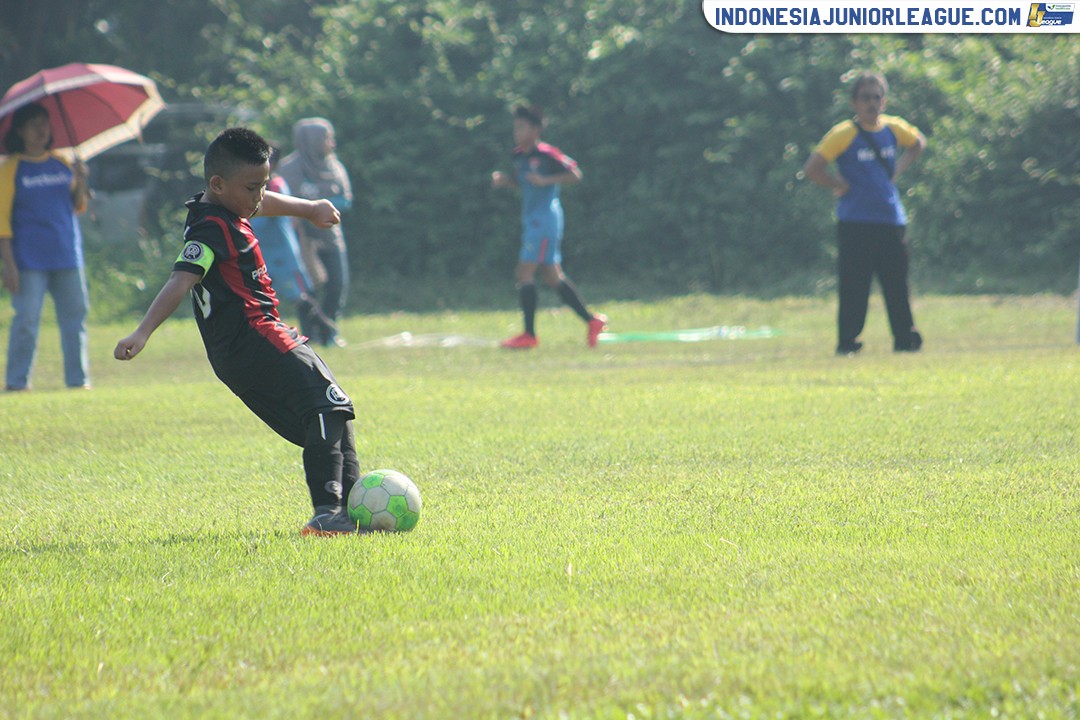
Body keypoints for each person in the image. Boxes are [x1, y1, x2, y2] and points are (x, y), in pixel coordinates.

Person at [114, 128, 361, 536]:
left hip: (241, 350)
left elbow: (259, 206)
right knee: (324, 403)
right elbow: (181, 279)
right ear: (218, 183)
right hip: (256, 335)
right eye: (253, 188)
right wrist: (142, 332)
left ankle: (350, 509)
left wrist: (309, 207)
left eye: (263, 185)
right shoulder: (210, 230)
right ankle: (327, 514)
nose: (259, 196)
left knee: (333, 416)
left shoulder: (224, 207)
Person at [804, 71, 927, 355]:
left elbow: (918, 143)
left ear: (884, 101)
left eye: (876, 97)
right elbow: (812, 168)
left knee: (896, 283)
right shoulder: (843, 134)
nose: (871, 103)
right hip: (855, 222)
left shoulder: (893, 129)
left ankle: (905, 338)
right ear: (854, 102)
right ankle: (848, 342)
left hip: (890, 220)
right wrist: (838, 184)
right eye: (865, 98)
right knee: (854, 286)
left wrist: (899, 169)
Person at [491, 105, 607, 350]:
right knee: (553, 277)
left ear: (535, 130)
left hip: (544, 221)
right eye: (515, 127)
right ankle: (591, 321)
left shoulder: (547, 154)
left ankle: (529, 335)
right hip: (532, 220)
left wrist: (547, 180)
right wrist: (507, 182)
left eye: (521, 127)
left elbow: (575, 174)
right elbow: (524, 185)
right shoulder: (518, 156)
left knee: (524, 273)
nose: (516, 132)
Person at [0, 102, 91, 391]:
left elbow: (77, 205)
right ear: (20, 131)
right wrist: (9, 265)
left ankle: (78, 382)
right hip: (29, 261)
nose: (41, 129)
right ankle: (17, 383)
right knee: (26, 321)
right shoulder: (11, 168)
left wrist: (81, 179)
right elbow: (2, 222)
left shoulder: (62, 163)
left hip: (67, 254)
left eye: (44, 123)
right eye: (33, 124)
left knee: (75, 320)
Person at [248, 144, 337, 342]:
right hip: (262, 251)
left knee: (299, 296)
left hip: (282, 252)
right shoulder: (257, 185)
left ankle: (322, 329)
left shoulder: (276, 185)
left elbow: (278, 215)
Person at [278, 118, 352, 347]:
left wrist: (323, 204)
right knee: (307, 289)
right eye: (325, 138)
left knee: (337, 283)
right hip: (302, 238)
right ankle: (309, 334)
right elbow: (284, 201)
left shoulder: (335, 166)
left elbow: (346, 200)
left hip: (330, 235)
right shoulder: (289, 168)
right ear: (309, 141)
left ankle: (329, 331)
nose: (331, 142)